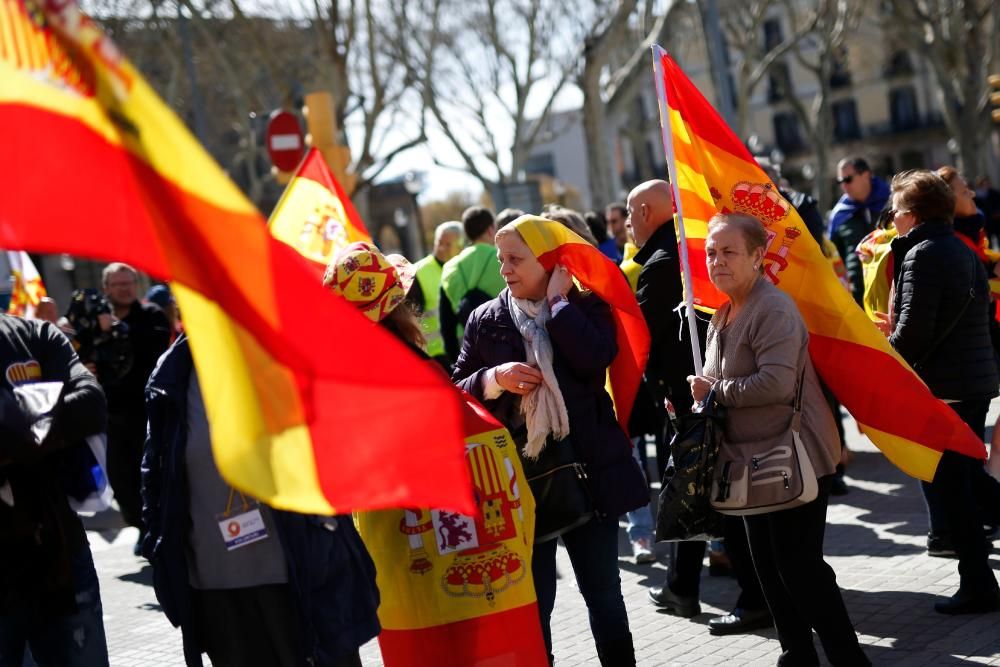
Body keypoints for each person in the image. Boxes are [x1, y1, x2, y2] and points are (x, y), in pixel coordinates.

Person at [453, 215, 647, 665]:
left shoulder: (583, 305)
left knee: (605, 600)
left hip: (589, 477)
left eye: (516, 259)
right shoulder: (485, 320)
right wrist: (492, 378)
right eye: (502, 259)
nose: (504, 269)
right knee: (534, 611)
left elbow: (595, 357)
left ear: (548, 261)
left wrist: (559, 304)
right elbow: (455, 388)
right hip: (521, 489)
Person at [690, 212, 869, 665]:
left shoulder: (773, 308)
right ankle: (796, 655)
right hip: (747, 460)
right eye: (712, 252)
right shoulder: (724, 312)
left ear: (757, 256)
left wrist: (716, 393)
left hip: (794, 454)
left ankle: (849, 659)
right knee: (768, 569)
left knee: (801, 569)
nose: (717, 261)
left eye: (729, 251)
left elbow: (775, 384)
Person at [141, 333, 380, 666]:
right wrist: (159, 548)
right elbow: (156, 475)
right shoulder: (172, 372)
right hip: (219, 589)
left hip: (302, 576)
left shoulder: (285, 352)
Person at [626, 180, 770, 635]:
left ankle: (752, 598)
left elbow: (639, 335)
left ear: (649, 212)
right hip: (696, 395)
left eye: (631, 215)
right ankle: (682, 584)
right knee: (689, 486)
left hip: (697, 397)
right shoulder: (680, 255)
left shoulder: (667, 261)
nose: (628, 225)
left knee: (709, 491)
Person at [873, 170, 1000, 613]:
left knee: (955, 490)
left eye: (894, 212)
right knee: (967, 480)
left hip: (947, 387)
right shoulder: (958, 247)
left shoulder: (921, 253)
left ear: (911, 215)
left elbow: (913, 335)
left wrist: (879, 349)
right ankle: (980, 580)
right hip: (973, 381)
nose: (891, 220)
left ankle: (979, 584)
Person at [0, 314, 110, 665]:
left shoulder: (36, 334)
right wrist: (41, 419)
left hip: (59, 557)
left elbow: (91, 403)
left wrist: (11, 429)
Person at [101, 262, 171, 554]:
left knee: (153, 472)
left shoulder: (151, 315)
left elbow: (152, 346)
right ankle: (140, 524)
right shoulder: (96, 318)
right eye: (119, 284)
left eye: (129, 283)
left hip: (146, 412)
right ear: (107, 289)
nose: (126, 289)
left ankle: (155, 528)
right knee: (121, 478)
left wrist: (116, 329)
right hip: (111, 414)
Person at [439, 207, 507, 362]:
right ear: (491, 229)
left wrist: (455, 364)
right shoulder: (504, 259)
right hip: (504, 341)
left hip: (467, 345)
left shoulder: (449, 268)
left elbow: (446, 324)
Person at [829, 157, 890, 304]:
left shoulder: (892, 201)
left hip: (893, 286)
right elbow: (834, 256)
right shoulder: (840, 213)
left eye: (848, 179)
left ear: (866, 175)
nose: (844, 186)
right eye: (840, 181)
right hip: (859, 293)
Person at [406, 221, 465, 368]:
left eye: (448, 244)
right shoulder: (417, 272)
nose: (441, 248)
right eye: (439, 242)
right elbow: (410, 317)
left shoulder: (464, 268)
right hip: (435, 357)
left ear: (460, 247)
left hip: (463, 349)